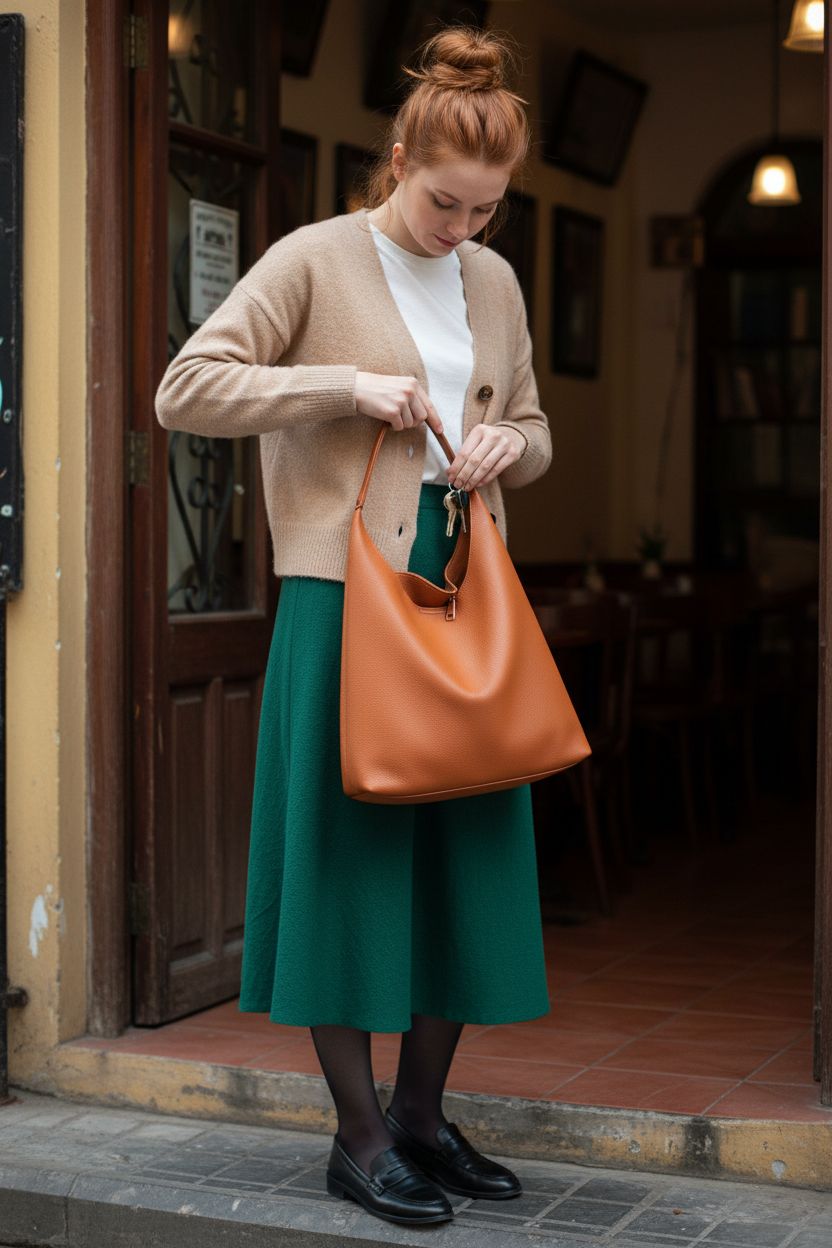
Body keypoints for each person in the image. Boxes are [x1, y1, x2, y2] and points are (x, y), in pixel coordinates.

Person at [154, 22, 552, 1230]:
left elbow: (533, 431)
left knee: (467, 858)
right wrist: (342, 384)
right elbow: (185, 388)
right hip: (343, 601)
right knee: (344, 861)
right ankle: (360, 1135)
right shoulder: (313, 260)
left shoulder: (494, 281)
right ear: (396, 161)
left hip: (466, 593)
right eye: (444, 203)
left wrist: (502, 449)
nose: (461, 232)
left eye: (484, 212)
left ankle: (425, 1115)